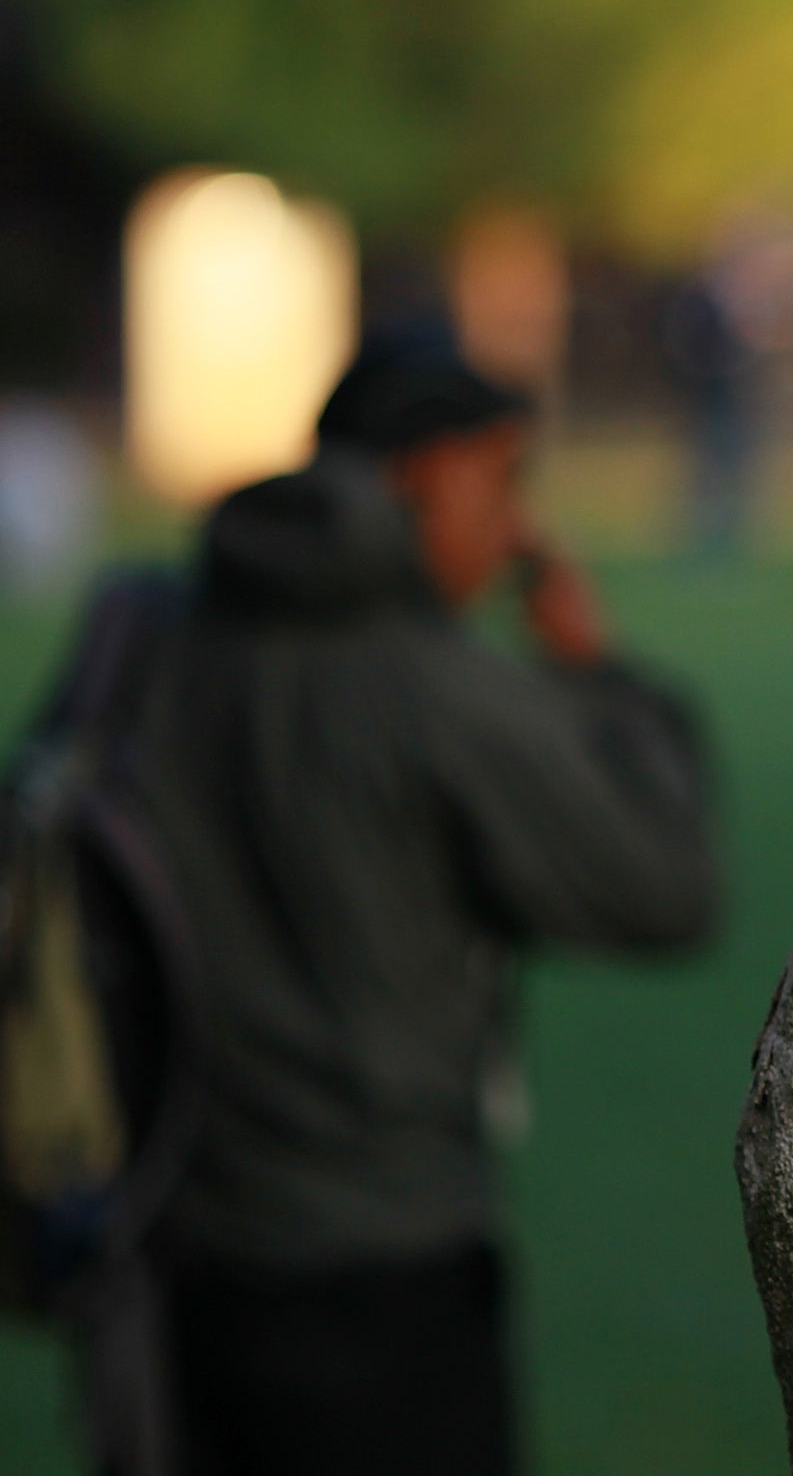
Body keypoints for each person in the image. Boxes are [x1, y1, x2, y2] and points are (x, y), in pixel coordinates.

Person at [128, 339, 721, 1475]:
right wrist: (597, 675)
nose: (519, 533)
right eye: (501, 484)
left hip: (174, 1268)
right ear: (416, 479)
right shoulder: (428, 686)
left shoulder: (152, 642)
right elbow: (664, 886)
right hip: (383, 1276)